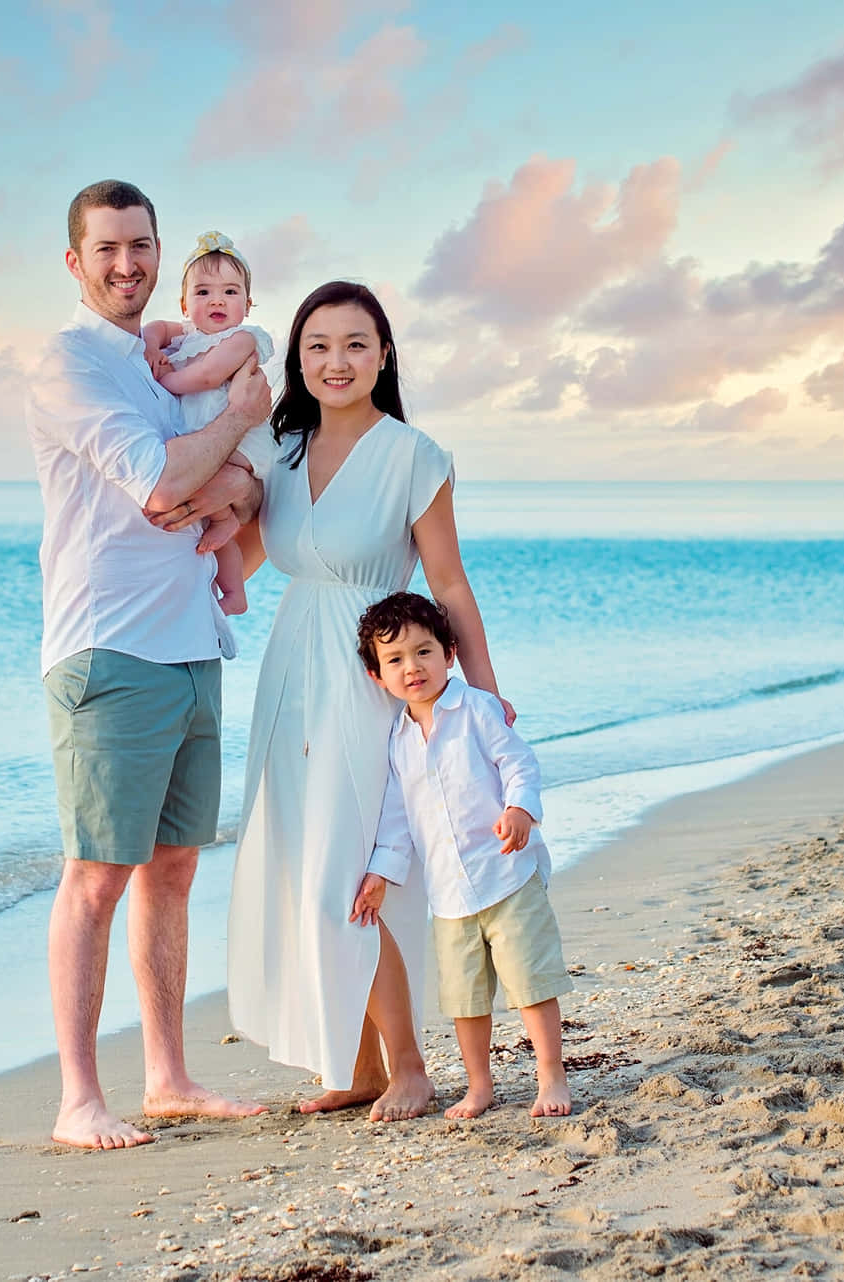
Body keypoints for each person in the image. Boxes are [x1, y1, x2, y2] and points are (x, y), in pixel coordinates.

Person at [226, 280, 515, 1122]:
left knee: (350, 874)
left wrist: (485, 694)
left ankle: (411, 1068)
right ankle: (351, 1066)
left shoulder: (412, 456)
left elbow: (449, 583)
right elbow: (237, 561)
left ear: (384, 355)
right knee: (296, 865)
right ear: (297, 359)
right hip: (289, 673)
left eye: (355, 344)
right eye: (317, 346)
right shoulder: (274, 449)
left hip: (369, 675)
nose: (336, 361)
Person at [26, 179, 271, 1149]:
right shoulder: (69, 364)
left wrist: (236, 471)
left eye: (141, 245)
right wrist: (236, 425)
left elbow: (217, 491)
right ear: (76, 261)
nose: (127, 263)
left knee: (171, 868)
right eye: (108, 247)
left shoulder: (168, 355)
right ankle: (79, 1099)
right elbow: (163, 483)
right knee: (96, 873)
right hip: (107, 648)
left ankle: (166, 1076)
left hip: (191, 646)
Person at [353, 591, 575, 1119]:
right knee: (464, 998)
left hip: (506, 874)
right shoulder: (398, 740)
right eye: (396, 660)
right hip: (449, 894)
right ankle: (480, 1086)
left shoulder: (476, 708)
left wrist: (520, 809)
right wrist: (381, 871)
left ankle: (552, 1076)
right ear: (376, 676)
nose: (413, 668)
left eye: (424, 652)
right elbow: (396, 816)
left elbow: (518, 763)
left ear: (449, 653)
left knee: (531, 982)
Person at [139, 231, 275, 618]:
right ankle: (233, 590)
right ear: (185, 303)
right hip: (211, 442)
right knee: (215, 519)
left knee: (215, 496)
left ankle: (233, 581)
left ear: (247, 305)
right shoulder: (188, 335)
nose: (217, 300)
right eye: (202, 292)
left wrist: (164, 380)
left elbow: (209, 377)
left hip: (242, 445)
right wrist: (150, 346)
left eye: (230, 292)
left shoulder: (243, 338)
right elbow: (156, 329)